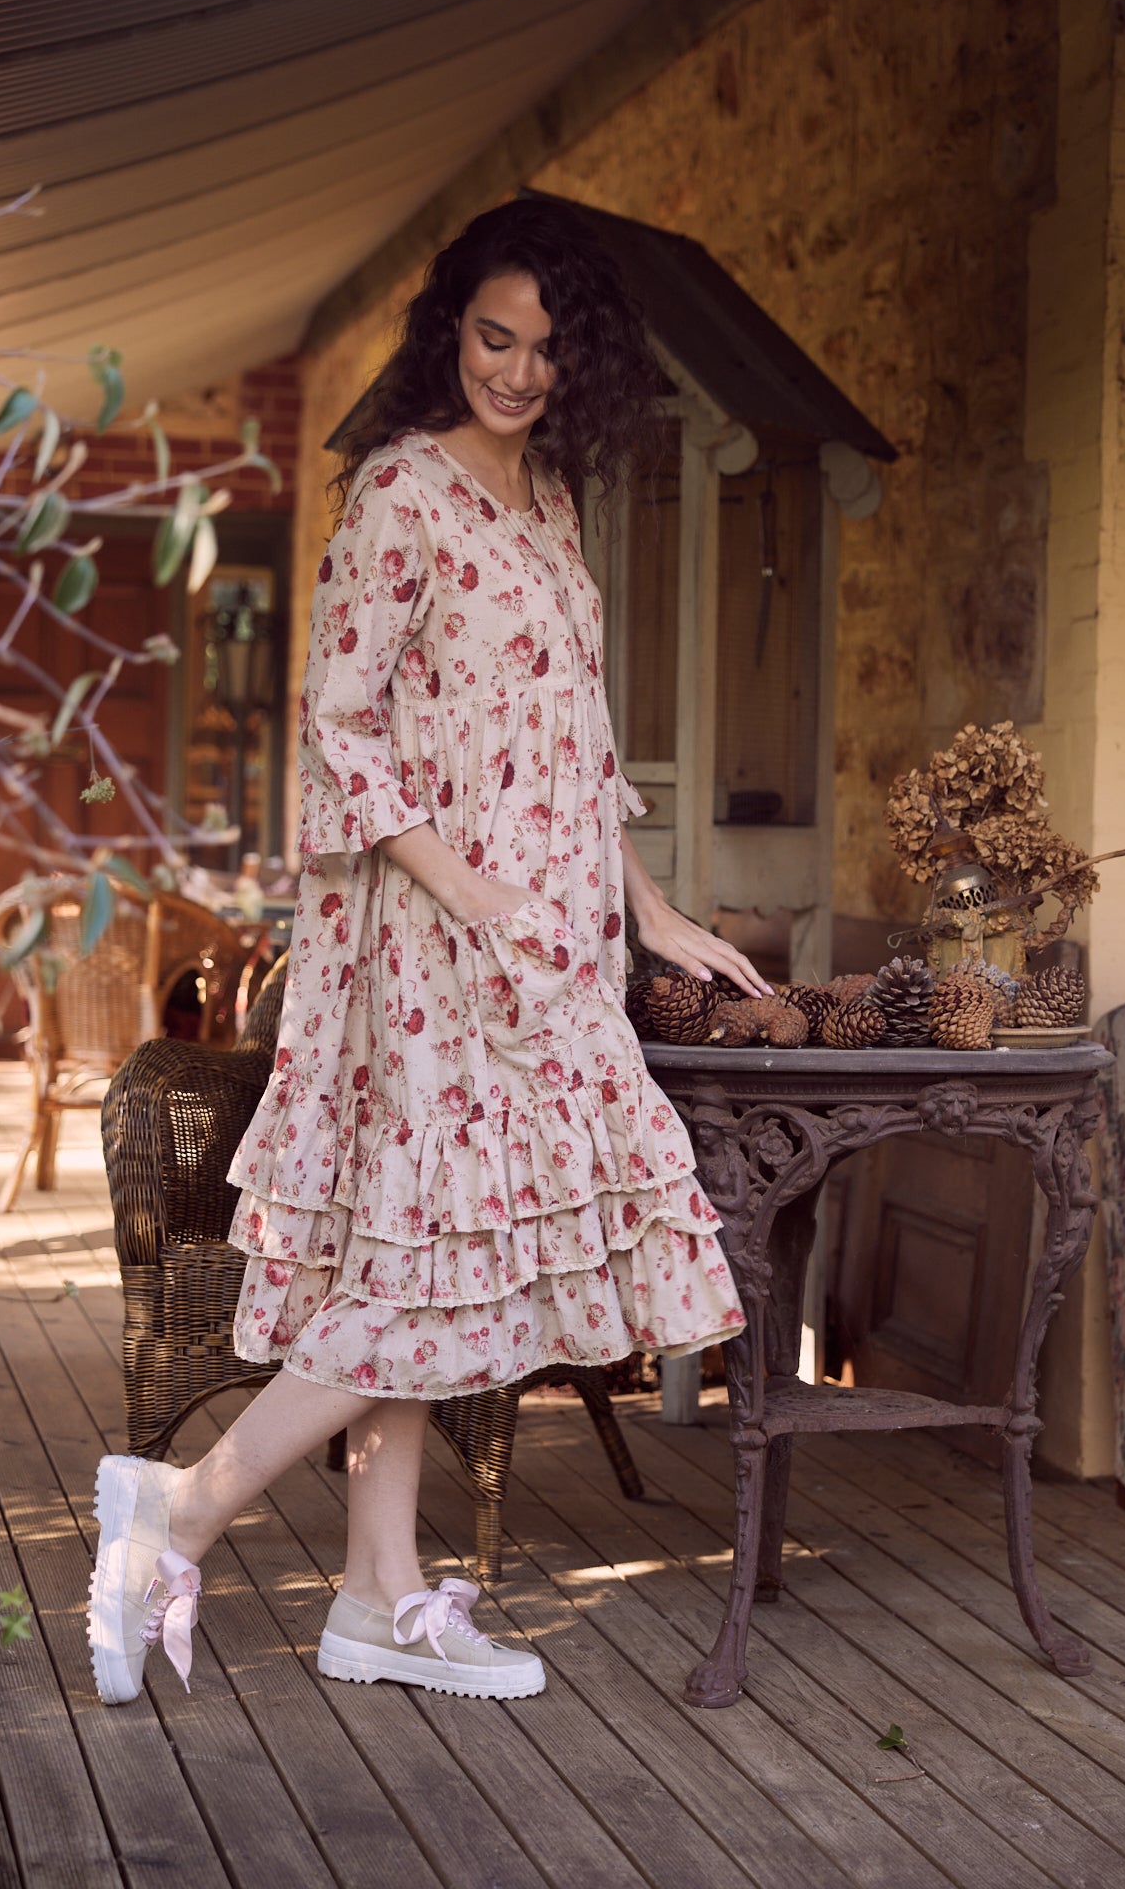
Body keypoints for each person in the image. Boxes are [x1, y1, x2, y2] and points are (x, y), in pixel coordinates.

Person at [88, 198, 770, 1706]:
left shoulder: (551, 505)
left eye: (542, 348)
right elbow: (340, 726)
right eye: (490, 337)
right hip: (439, 943)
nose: (514, 372)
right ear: (447, 332)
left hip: (551, 943)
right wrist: (480, 901)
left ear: (578, 362)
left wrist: (646, 912)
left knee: (429, 1257)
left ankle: (375, 1599)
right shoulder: (400, 490)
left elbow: (578, 743)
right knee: (441, 1277)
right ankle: (184, 1505)